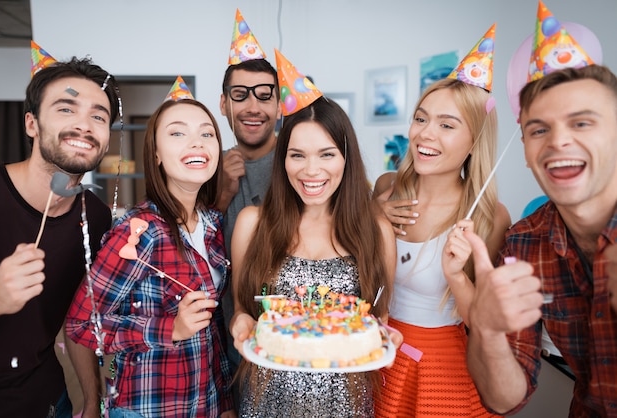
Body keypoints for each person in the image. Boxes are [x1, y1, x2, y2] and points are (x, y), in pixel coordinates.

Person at [65, 90, 235, 417]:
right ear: (156, 154)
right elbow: (81, 325)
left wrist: (224, 402)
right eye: (177, 133)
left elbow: (209, 329)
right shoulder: (138, 232)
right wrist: (169, 329)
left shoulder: (214, 225)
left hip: (207, 404)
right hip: (147, 407)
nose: (197, 142)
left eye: (207, 133)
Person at [463, 64, 617, 417]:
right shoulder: (524, 243)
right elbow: (505, 400)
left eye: (581, 123)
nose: (558, 141)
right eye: (539, 129)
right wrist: (485, 328)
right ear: (526, 149)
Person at [229, 96, 396, 417]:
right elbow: (241, 310)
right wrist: (241, 322)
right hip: (265, 404)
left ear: (346, 158)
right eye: (297, 155)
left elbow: (380, 316)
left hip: (346, 406)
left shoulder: (376, 231)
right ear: (283, 160)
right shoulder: (252, 224)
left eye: (327, 154)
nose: (311, 170)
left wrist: (383, 334)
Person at [373, 76, 511, 417]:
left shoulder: (488, 216)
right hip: (376, 356)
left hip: (442, 370)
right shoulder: (385, 190)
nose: (425, 134)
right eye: (421, 118)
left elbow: (481, 323)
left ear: (475, 141)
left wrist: (458, 277)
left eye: (446, 125)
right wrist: (371, 217)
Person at [0, 56, 120, 417]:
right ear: (31, 124)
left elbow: (78, 318)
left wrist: (92, 402)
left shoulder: (94, 216)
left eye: (98, 116)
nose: (84, 125)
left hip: (49, 400)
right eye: (66, 108)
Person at [217, 57, 281, 373]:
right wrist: (224, 192)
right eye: (240, 94)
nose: (252, 106)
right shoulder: (204, 166)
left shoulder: (303, 168)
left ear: (280, 106)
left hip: (293, 344)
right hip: (227, 349)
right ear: (223, 104)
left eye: (264, 95)